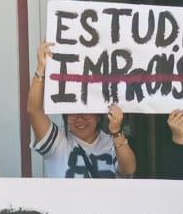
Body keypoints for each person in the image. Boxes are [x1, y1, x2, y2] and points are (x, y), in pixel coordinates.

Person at [27, 42, 134, 178]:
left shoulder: (111, 143)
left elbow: (129, 170)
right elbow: (34, 111)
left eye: (86, 112)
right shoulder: (58, 141)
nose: (79, 118)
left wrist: (117, 133)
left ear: (98, 116)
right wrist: (40, 69)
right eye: (73, 112)